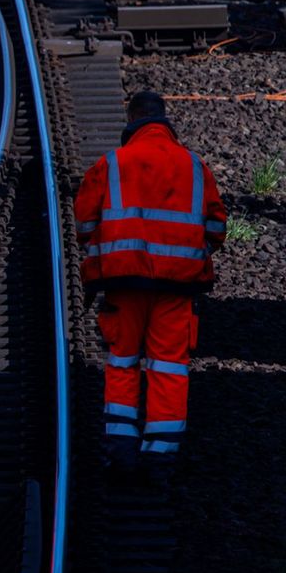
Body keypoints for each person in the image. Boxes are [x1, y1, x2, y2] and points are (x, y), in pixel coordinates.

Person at [74, 91, 227, 481]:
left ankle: (121, 446)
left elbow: (85, 226)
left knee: (122, 360)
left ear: (131, 121)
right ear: (165, 121)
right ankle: (160, 454)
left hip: (123, 283)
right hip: (178, 286)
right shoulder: (195, 166)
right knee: (169, 366)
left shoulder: (111, 164)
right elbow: (216, 228)